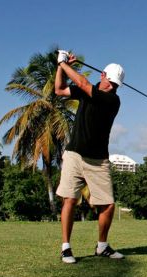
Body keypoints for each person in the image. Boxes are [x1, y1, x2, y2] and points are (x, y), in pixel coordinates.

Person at [54, 51, 124, 263]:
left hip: (98, 160)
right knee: (70, 199)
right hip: (75, 154)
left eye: (116, 85)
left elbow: (84, 84)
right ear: (103, 75)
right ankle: (66, 248)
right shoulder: (88, 91)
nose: (113, 87)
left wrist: (64, 63)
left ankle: (102, 246)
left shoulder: (112, 100)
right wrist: (61, 67)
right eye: (111, 82)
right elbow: (59, 89)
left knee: (108, 205)